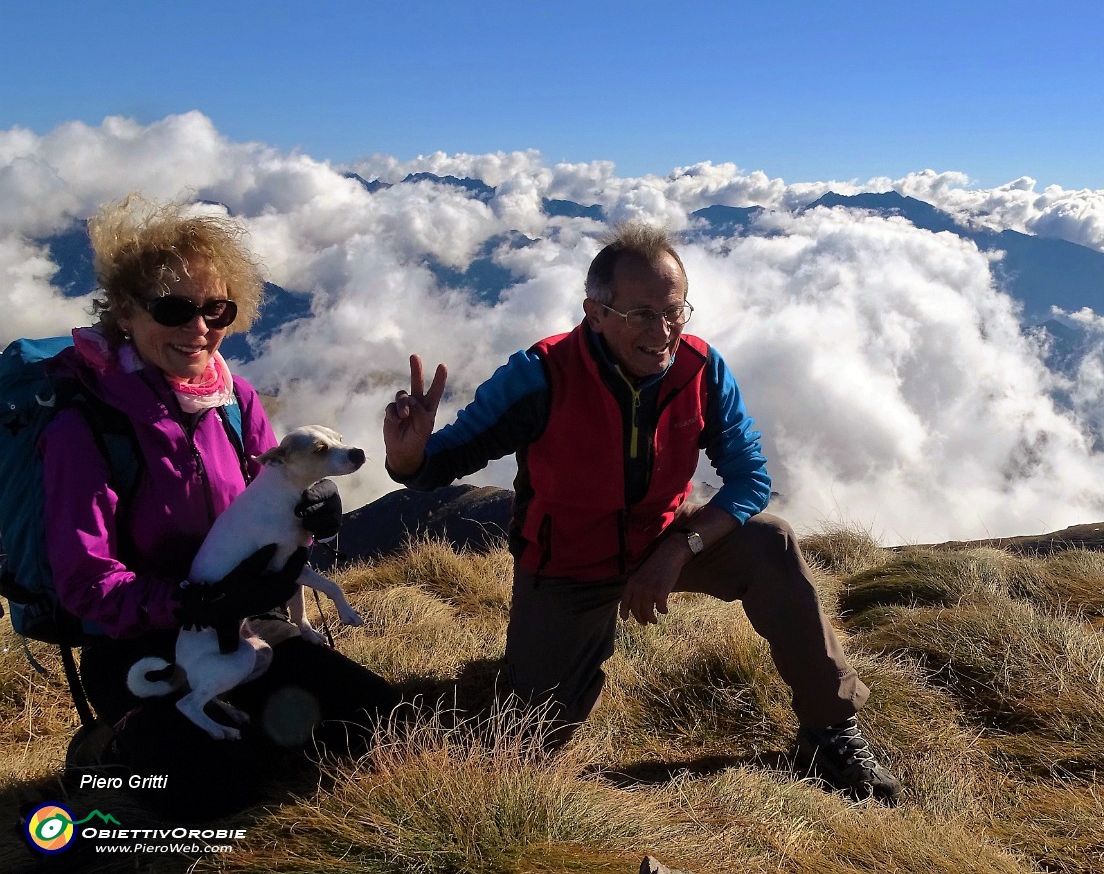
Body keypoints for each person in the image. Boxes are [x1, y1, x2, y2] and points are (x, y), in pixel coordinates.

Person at [383, 221, 901, 805]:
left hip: (663, 543)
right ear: (596, 312)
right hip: (567, 567)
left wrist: (680, 549)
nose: (663, 332)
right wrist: (410, 459)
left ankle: (830, 730)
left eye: (674, 311)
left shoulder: (699, 370)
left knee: (769, 542)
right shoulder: (541, 375)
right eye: (641, 314)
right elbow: (452, 455)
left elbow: (751, 479)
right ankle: (541, 673)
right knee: (527, 742)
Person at [41, 194, 398, 819]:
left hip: (240, 626)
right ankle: (105, 755)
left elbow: (277, 504)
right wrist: (188, 601)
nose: (199, 327)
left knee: (379, 725)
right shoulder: (88, 424)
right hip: (140, 643)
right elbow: (85, 581)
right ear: (125, 310)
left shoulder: (235, 401)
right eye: (174, 308)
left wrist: (313, 512)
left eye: (217, 308)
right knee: (218, 793)